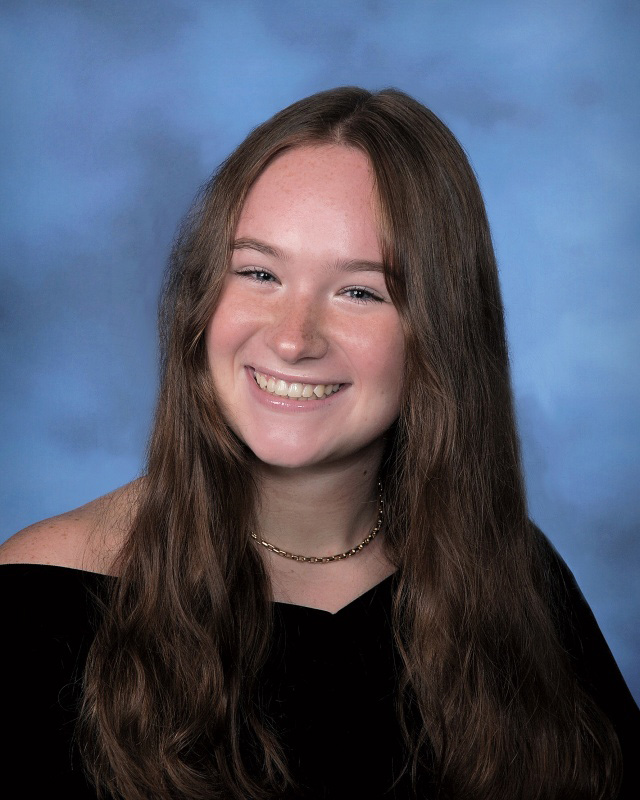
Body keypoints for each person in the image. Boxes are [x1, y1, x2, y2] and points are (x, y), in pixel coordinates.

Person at [0, 87, 638, 800]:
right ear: (200, 298)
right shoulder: (39, 598)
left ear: (441, 335)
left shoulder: (519, 580)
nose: (293, 337)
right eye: (260, 273)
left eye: (361, 292)